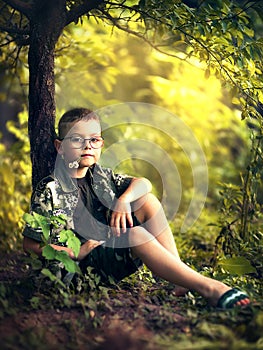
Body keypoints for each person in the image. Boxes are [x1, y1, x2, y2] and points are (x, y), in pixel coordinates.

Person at [23, 108, 250, 309]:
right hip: (74, 271)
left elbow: (143, 183)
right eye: (77, 140)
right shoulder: (50, 189)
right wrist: (75, 252)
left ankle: (179, 279)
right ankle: (209, 288)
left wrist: (123, 200)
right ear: (60, 147)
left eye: (94, 140)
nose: (87, 146)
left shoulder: (100, 176)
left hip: (101, 253)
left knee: (146, 200)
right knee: (136, 234)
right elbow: (30, 244)